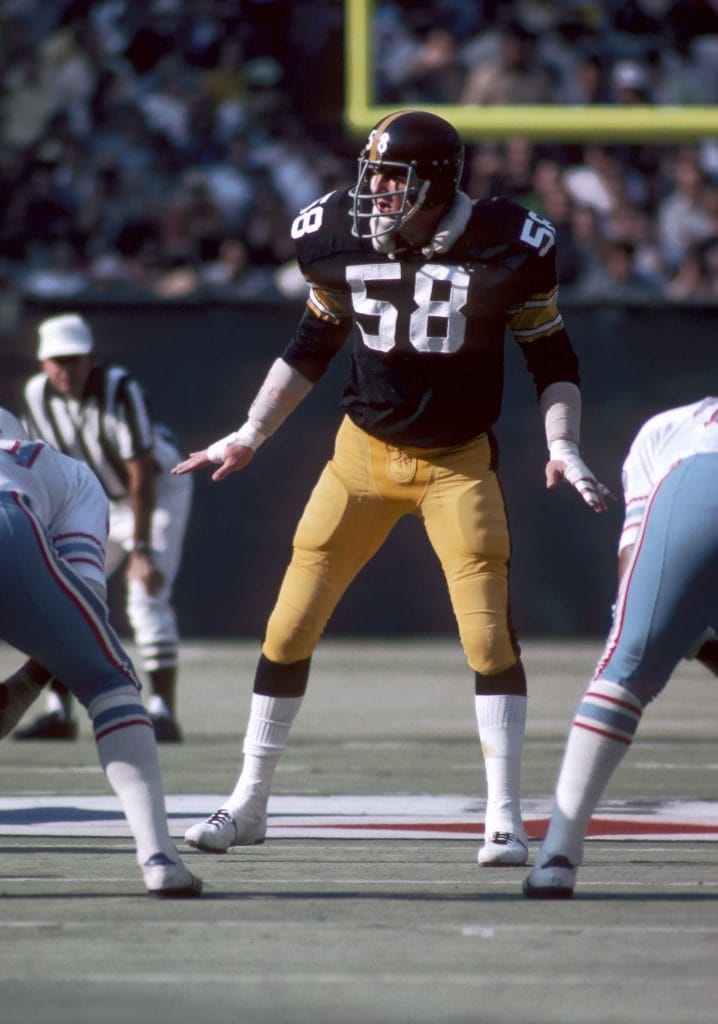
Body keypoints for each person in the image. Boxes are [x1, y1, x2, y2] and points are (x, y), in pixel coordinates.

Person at [174, 109, 612, 867]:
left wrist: (563, 443)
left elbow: (551, 355)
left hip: (456, 463)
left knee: (486, 637)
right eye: (371, 174)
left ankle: (505, 817)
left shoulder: (509, 242)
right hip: (361, 458)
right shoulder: (336, 235)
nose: (372, 192)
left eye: (391, 179)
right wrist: (249, 432)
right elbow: (312, 341)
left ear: (437, 184)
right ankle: (249, 801)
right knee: (286, 629)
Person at [0, 406, 201, 897]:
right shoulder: (65, 471)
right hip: (9, 525)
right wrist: (27, 683)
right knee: (109, 678)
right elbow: (84, 608)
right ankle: (158, 856)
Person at [524, 396, 718, 898]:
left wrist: (671, 638)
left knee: (625, 667)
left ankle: (559, 854)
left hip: (700, 477)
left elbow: (637, 578)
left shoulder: (668, 430)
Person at [13, 312, 192, 743]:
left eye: (74, 359)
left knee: (147, 597)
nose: (65, 370)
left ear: (91, 358)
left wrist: (143, 550)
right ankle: (59, 712)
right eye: (56, 360)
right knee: (64, 598)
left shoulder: (120, 389)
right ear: (42, 363)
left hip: (157, 493)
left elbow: (140, 473)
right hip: (92, 500)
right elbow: (47, 472)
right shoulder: (37, 397)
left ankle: (163, 712)